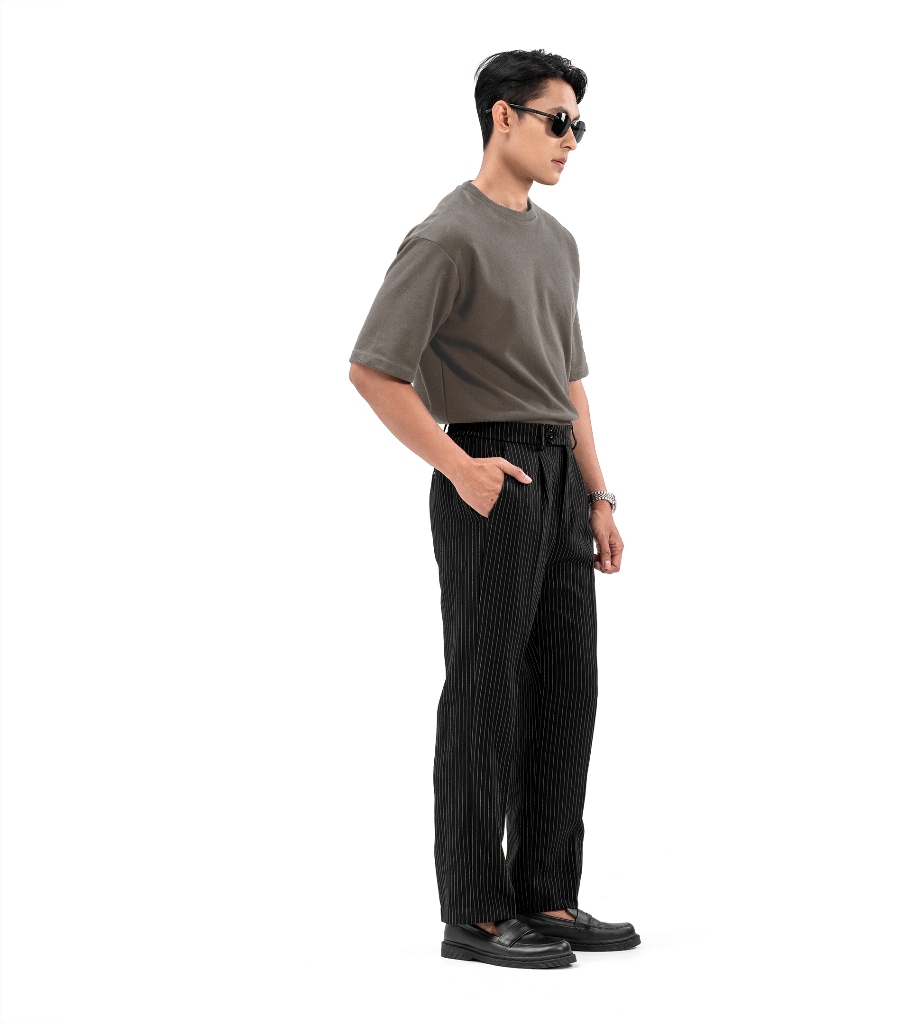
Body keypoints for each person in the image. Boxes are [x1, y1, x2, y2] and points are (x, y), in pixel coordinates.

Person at [348, 48, 638, 970]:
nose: (571, 139)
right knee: (485, 691)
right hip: (493, 469)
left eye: (579, 125)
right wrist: (458, 465)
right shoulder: (446, 236)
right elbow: (373, 368)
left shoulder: (558, 242)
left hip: (560, 475)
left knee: (567, 687)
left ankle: (546, 894)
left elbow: (570, 380)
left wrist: (599, 494)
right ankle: (474, 913)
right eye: (558, 120)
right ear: (502, 117)